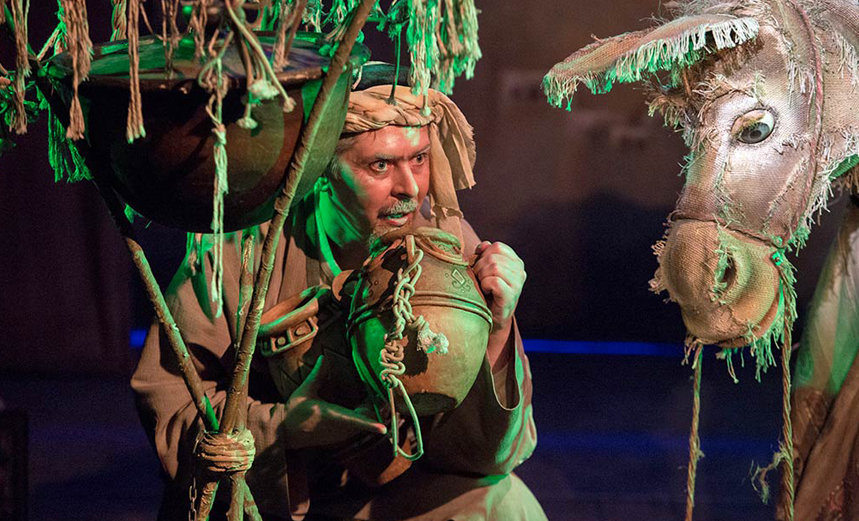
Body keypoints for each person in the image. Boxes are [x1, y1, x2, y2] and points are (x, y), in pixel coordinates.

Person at [131, 84, 546, 520]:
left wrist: (498, 327)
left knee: (506, 504)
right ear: (322, 170)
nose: (410, 188)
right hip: (270, 492)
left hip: (386, 492)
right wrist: (285, 428)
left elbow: (490, 457)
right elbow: (173, 405)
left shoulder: (446, 252)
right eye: (380, 165)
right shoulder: (241, 253)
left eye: (419, 159)